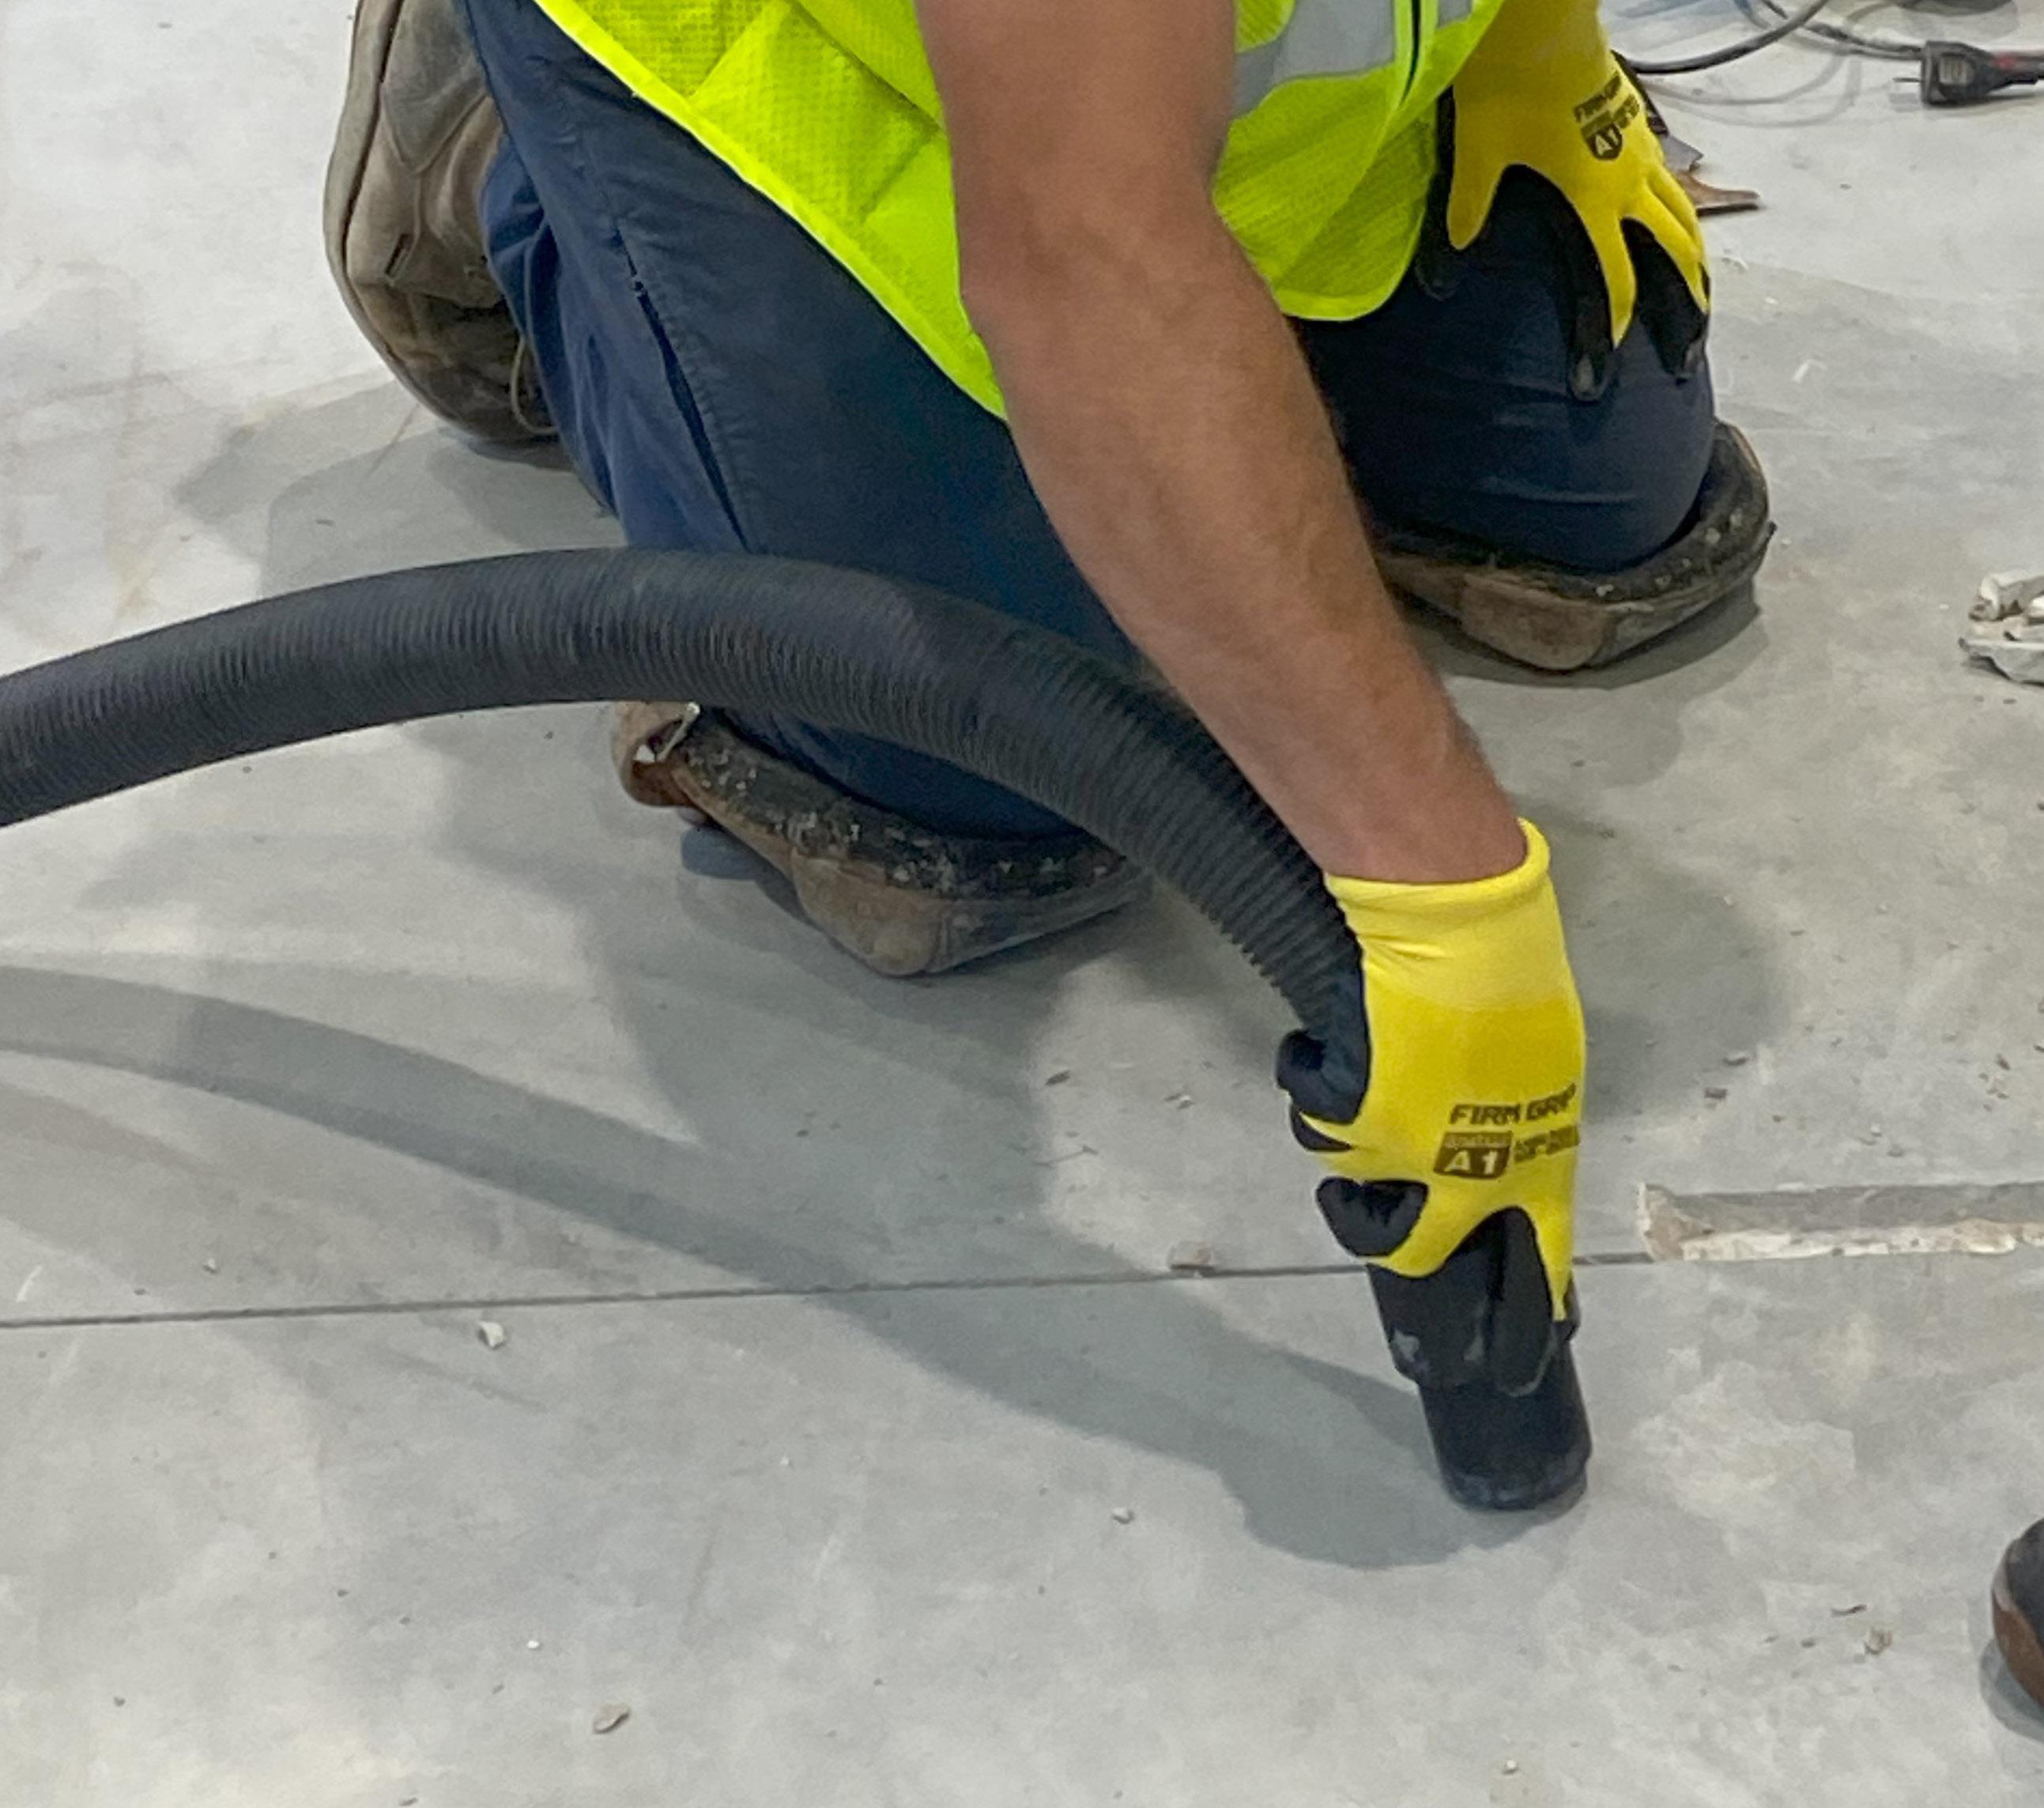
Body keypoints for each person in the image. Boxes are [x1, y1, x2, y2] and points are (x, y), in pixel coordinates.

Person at [326, 0, 1773, 1341]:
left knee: (1598, 514)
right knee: (964, 785)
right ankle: (542, 175)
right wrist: (1445, 894)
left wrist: (1535, 42)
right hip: (792, 54)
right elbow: (1084, 252)